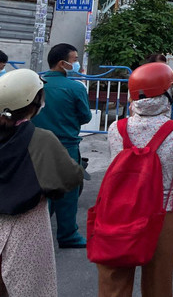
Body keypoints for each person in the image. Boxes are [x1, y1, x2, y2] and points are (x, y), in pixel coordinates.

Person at [97, 63, 173, 296]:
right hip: (162, 218)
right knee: (158, 288)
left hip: (119, 216)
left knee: (113, 287)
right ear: (167, 94)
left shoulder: (117, 129)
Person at [0, 69, 84, 297]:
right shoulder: (42, 139)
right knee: (28, 287)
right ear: (33, 103)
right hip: (28, 226)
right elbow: (69, 178)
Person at [31, 43, 91, 248]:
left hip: (35, 145)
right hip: (66, 145)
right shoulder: (75, 87)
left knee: (39, 191)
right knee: (68, 191)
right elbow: (85, 116)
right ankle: (68, 236)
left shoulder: (37, 83)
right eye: (74, 60)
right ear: (61, 63)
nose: (76, 64)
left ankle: (37, 237)